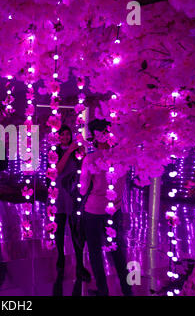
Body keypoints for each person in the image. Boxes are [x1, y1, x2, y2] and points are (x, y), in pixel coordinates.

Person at [79, 119, 132, 296]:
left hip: (93, 210)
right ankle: (127, 290)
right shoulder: (122, 157)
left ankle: (103, 291)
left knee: (95, 252)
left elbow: (83, 189)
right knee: (118, 250)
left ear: (94, 135)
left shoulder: (91, 158)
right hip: (114, 209)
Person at [52, 125, 91, 296]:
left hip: (74, 193)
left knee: (76, 229)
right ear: (58, 137)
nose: (65, 137)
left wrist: (80, 151)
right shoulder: (54, 152)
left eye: (68, 134)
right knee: (59, 229)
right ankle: (60, 256)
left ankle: (79, 263)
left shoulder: (77, 150)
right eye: (62, 135)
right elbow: (57, 170)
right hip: (59, 194)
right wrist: (68, 152)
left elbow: (83, 167)